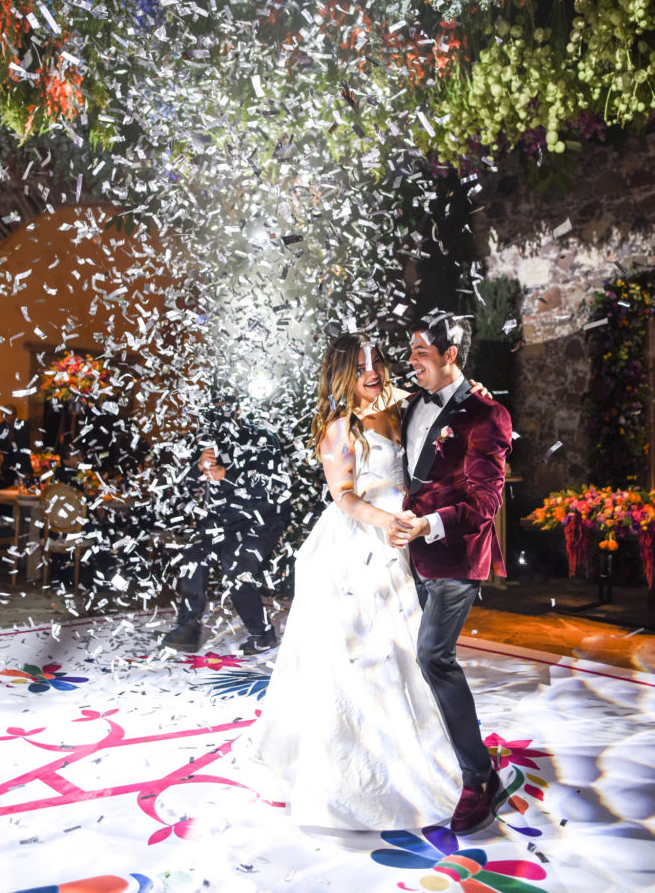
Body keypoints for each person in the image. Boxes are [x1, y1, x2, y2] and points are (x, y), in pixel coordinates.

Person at [234, 333, 463, 830]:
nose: (372, 372)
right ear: (341, 372)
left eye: (376, 361)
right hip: (357, 546)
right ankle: (359, 774)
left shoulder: (398, 408)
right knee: (364, 656)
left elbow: (447, 396)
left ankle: (420, 755)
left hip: (402, 542)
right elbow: (343, 496)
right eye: (359, 366)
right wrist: (385, 522)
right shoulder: (340, 427)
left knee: (409, 651)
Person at [388, 309, 512, 834]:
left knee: (433, 655)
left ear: (450, 355)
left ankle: (479, 777)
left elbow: (485, 504)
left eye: (420, 352)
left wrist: (427, 526)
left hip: (457, 555)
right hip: (405, 556)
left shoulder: (487, 416)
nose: (411, 361)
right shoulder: (412, 403)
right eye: (410, 351)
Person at [161, 396, 291, 656]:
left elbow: (269, 483)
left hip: (259, 519)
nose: (220, 414)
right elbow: (190, 481)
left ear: (239, 408)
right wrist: (199, 467)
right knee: (194, 556)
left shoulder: (262, 437)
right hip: (220, 519)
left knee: (237, 570)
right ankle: (187, 629)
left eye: (226, 409)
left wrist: (225, 475)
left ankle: (262, 635)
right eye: (215, 409)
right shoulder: (209, 439)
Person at [0, 404, 32, 480]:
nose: (10, 417)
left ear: (16, 414)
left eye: (12, 414)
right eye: (7, 414)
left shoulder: (24, 425)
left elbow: (26, 445)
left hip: (22, 463)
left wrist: (14, 439)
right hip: (6, 465)